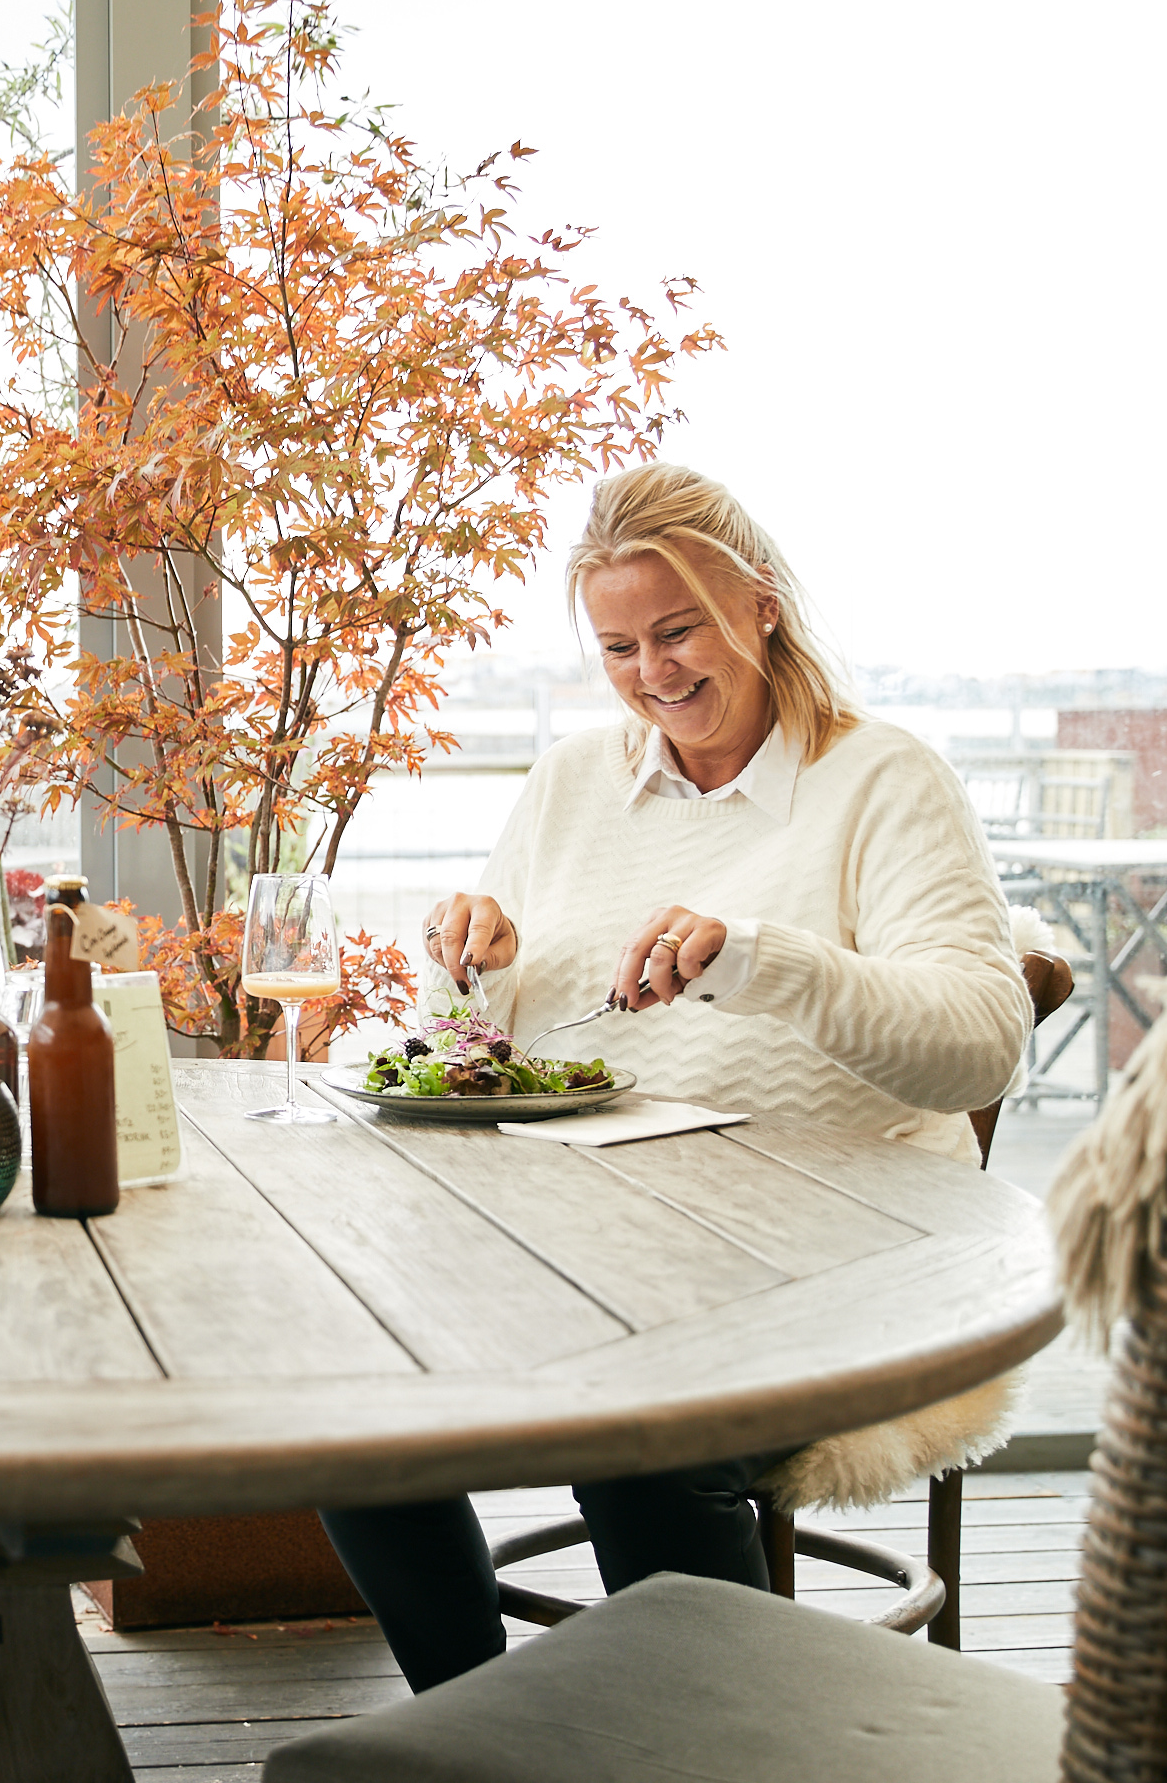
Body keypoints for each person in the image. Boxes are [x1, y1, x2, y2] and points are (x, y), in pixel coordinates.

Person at [326, 462, 1029, 1695]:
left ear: (759, 601)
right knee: (342, 1389)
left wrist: (764, 961)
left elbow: (982, 1035)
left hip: (833, 1254)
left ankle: (720, 1742)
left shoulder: (883, 780)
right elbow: (474, 1048)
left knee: (646, 1434)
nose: (652, 673)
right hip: (587, 1242)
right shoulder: (574, 785)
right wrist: (474, 972)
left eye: (678, 628)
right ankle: (475, 1719)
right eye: (616, 646)